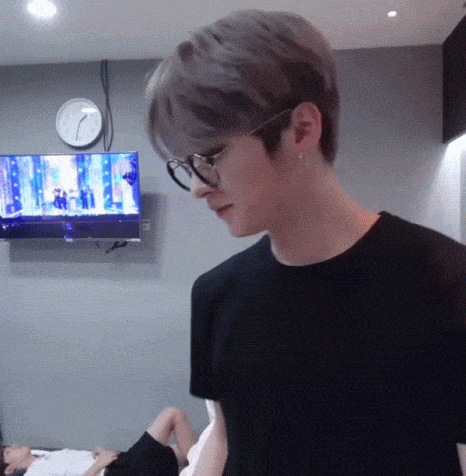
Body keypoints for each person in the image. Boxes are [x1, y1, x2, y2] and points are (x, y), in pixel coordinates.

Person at [145, 9, 466, 476]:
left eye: (209, 157)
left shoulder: (447, 282)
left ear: (301, 129)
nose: (196, 187)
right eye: (186, 166)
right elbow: (226, 440)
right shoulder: (217, 295)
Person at [2, 408, 196, 476]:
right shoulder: (35, 474)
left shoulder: (45, 456)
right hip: (115, 473)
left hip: (119, 463)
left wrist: (96, 454)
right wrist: (98, 465)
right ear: (10, 469)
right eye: (7, 452)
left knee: (180, 453)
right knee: (173, 415)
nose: (12, 446)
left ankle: (201, 465)